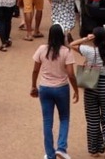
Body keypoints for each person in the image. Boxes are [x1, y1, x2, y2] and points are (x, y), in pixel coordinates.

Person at [70, 27, 105, 158]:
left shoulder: (89, 51)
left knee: (92, 119)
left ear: (94, 39)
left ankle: (94, 150)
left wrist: (86, 38)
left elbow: (71, 44)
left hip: (91, 85)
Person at [32, 25, 79, 159]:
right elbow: (71, 74)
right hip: (61, 88)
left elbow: (35, 70)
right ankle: (62, 148)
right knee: (64, 118)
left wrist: (33, 86)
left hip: (45, 88)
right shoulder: (66, 51)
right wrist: (76, 90)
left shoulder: (42, 49)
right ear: (62, 36)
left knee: (47, 121)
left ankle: (50, 154)